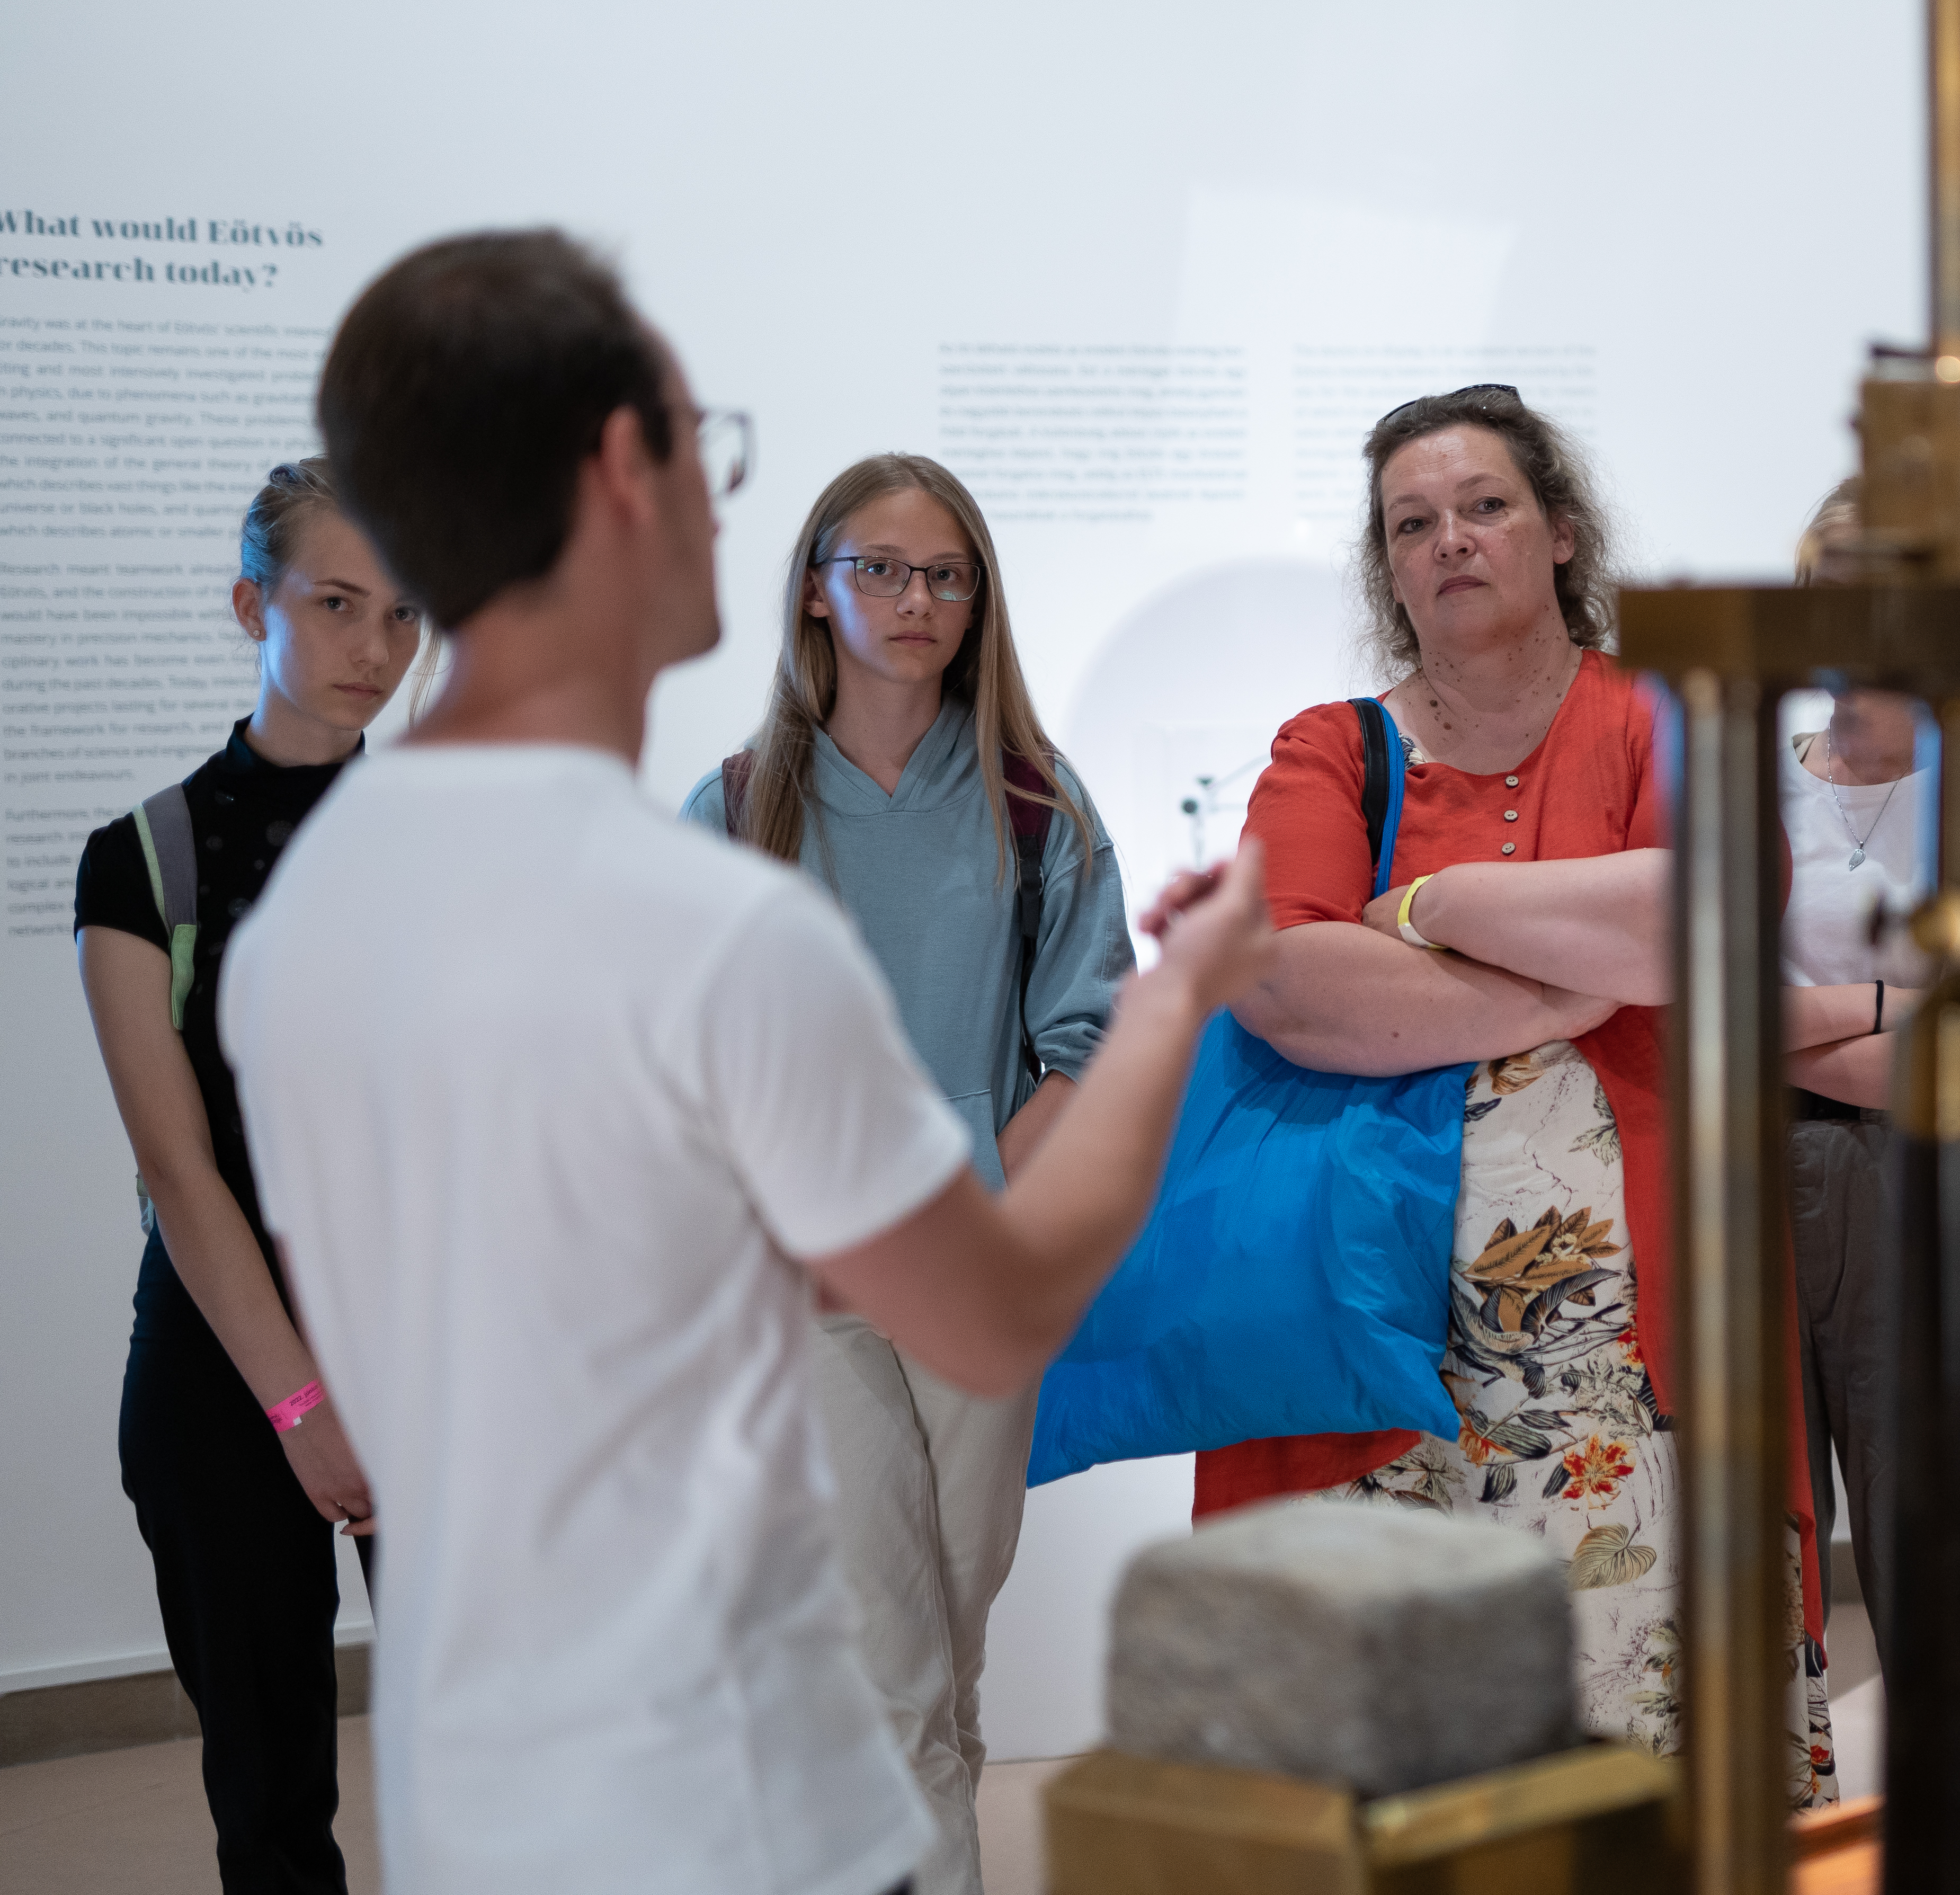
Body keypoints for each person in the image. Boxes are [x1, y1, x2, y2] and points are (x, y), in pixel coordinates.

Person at [220, 229, 1271, 1895]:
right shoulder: (713, 923)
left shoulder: (307, 922)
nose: (724, 496)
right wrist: (1183, 997)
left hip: (482, 1802)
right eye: (712, 447)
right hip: (729, 1813)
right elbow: (990, 1301)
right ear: (622, 476)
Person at [1192, 384, 1836, 1808]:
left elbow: (1704, 919)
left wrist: (1425, 903)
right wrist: (1556, 989)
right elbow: (1287, 985)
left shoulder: (1672, 720)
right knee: (1401, 1786)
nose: (1451, 541)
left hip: (1640, 1393)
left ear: (1559, 532)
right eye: (1411, 523)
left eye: (1484, 507)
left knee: (1647, 1784)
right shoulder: (1328, 750)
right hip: (1379, 1383)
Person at [680, 454, 1128, 1895]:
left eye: (945, 574)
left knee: (945, 1653)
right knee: (887, 1661)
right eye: (879, 566)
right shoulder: (741, 805)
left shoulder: (1035, 801)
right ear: (816, 586)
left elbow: (1089, 1036)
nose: (915, 598)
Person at [73, 461, 421, 1895]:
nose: (372, 652)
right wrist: (305, 1409)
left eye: (401, 615)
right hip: (226, 1372)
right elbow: (181, 1168)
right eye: (334, 605)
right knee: (273, 1801)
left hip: (426, 1354)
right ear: (250, 606)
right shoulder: (144, 862)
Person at [1779, 479, 1960, 1627]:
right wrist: (1900, 998)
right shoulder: (1741, 784)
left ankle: (1948, 1810)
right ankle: (1777, 1805)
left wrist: (1790, 1021)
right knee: (1759, 1536)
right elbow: (1697, 1018)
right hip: (1739, 1181)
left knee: (1927, 1540)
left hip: (1915, 1185)